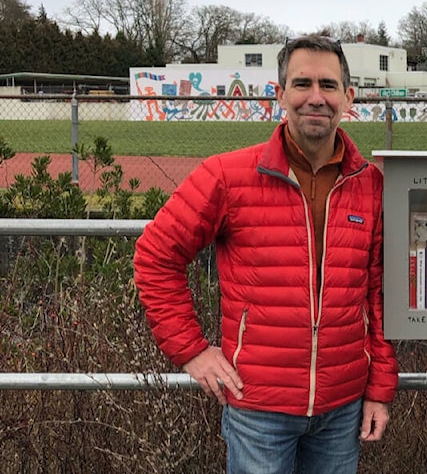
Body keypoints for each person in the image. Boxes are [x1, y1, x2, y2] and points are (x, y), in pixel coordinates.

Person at [133, 33, 399, 474]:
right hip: (258, 408)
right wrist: (192, 351)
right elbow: (156, 257)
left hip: (342, 408)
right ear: (280, 94)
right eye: (302, 84)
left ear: (349, 97)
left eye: (329, 86)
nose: (316, 98)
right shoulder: (226, 176)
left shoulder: (370, 184)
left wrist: (379, 388)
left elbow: (375, 295)